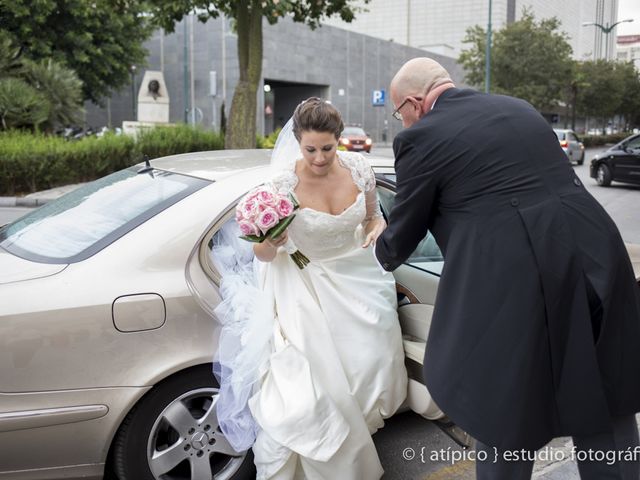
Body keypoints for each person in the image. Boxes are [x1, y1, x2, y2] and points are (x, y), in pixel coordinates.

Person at [375, 57, 640, 479]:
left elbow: (404, 231)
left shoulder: (421, 138)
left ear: (415, 102)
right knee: (604, 388)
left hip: (518, 280)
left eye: (399, 113)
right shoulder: (519, 107)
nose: (403, 121)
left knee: (504, 402)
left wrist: (379, 244)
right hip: (598, 255)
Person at [214, 97, 407, 480]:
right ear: (298, 142)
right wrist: (271, 238)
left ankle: (362, 428)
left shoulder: (360, 169)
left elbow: (373, 217)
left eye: (327, 148)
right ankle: (336, 450)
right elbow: (263, 254)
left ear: (339, 140)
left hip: (360, 278)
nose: (319, 158)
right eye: (310, 149)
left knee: (373, 362)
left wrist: (373, 230)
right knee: (319, 382)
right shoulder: (282, 185)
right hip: (304, 287)